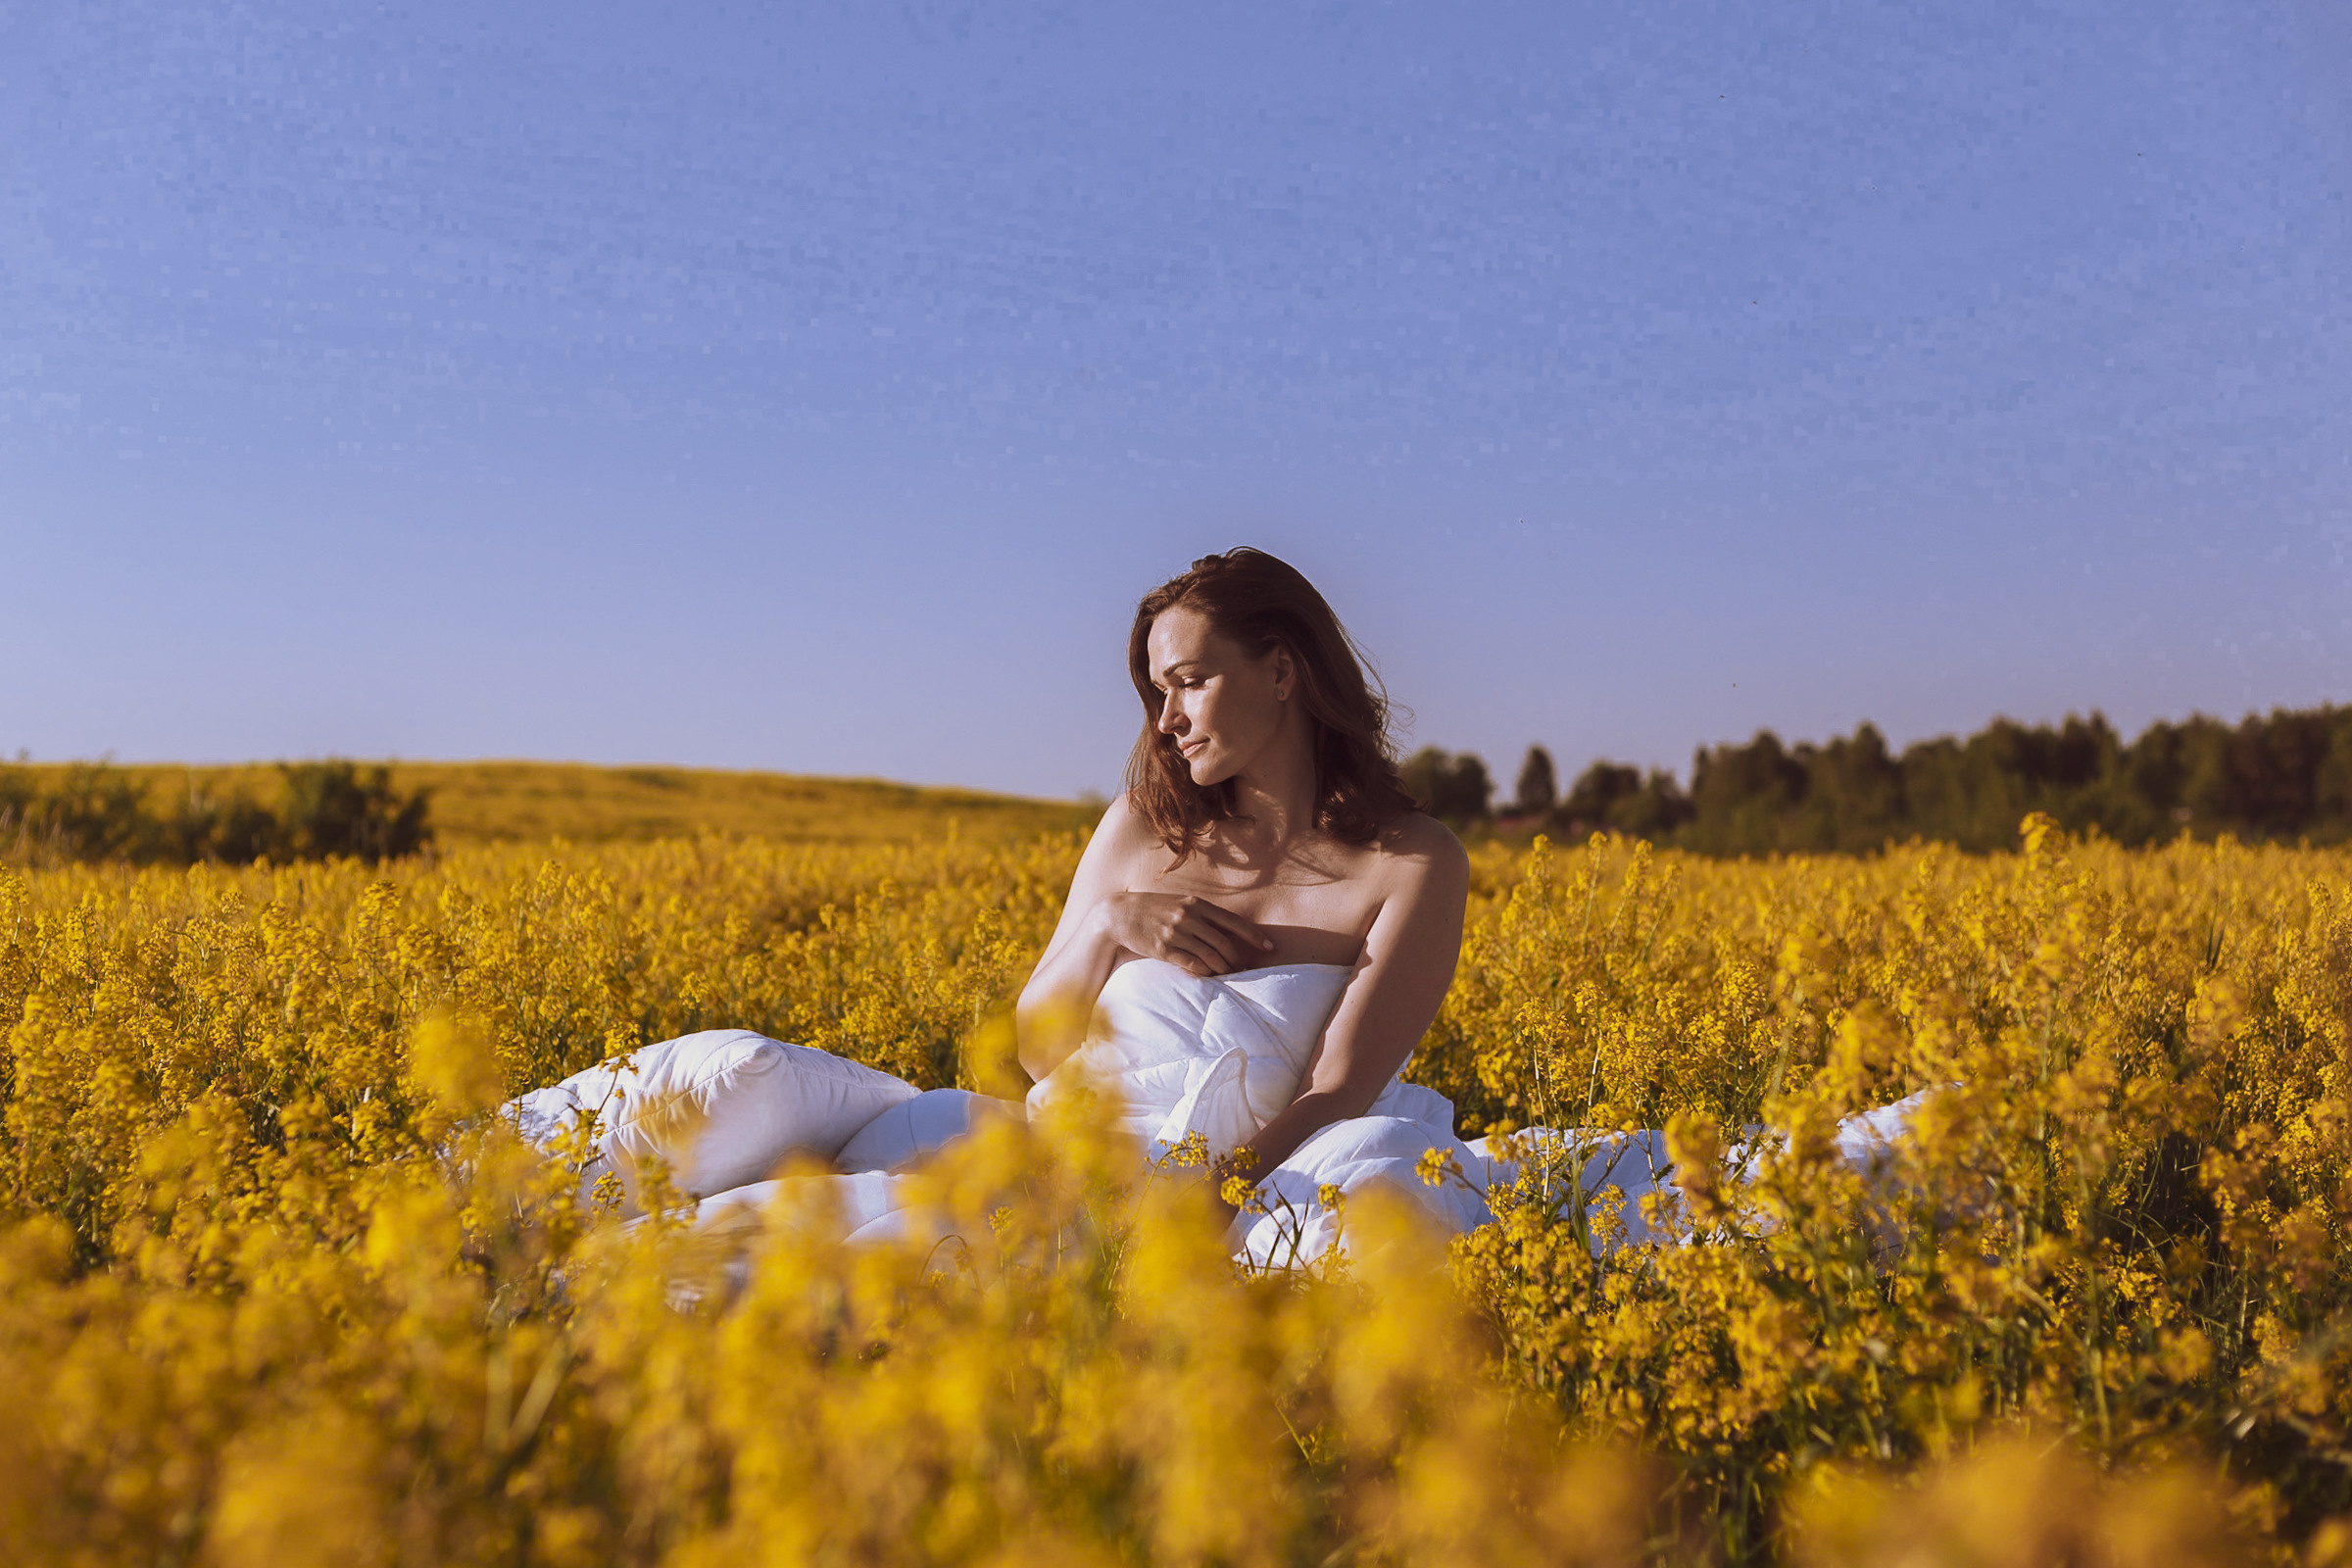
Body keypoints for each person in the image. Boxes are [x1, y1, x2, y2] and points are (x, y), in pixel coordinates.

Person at [1015, 548, 1470, 1207]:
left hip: (1289, 1188)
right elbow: (1037, 1055)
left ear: (1282, 671)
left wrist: (1201, 1212)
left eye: (1191, 682)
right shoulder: (1138, 828)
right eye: (1159, 691)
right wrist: (1106, 923)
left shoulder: (1413, 863)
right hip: (1085, 1173)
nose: (1168, 720)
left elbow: (1338, 1091)